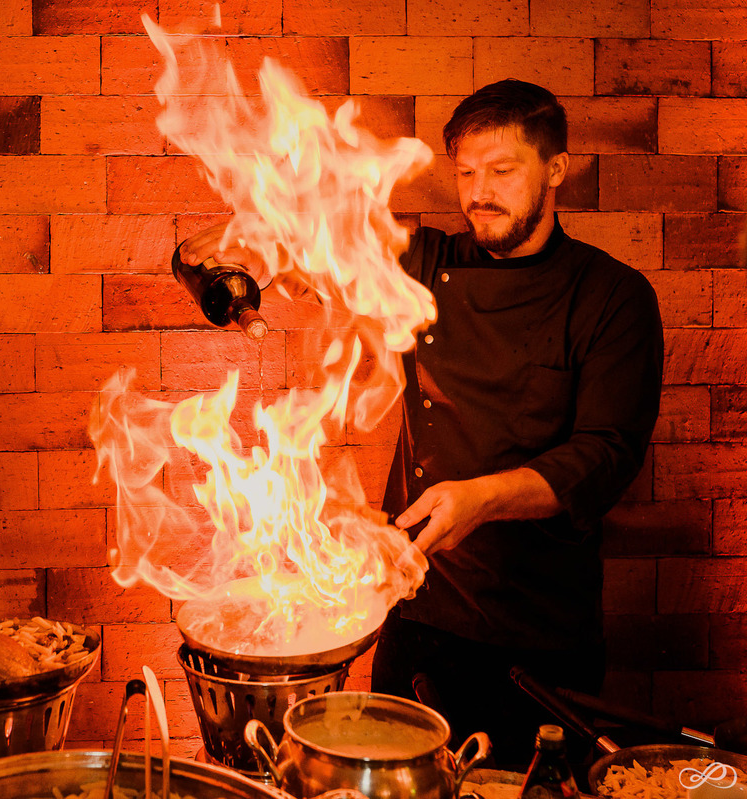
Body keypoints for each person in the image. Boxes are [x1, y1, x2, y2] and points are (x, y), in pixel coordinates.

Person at [178, 79, 665, 768]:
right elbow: (314, 250)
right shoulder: (426, 264)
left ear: (556, 169)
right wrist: (247, 243)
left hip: (542, 637)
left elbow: (607, 454)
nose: (479, 192)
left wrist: (484, 495)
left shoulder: (611, 296)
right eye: (467, 173)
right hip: (416, 618)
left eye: (502, 171)